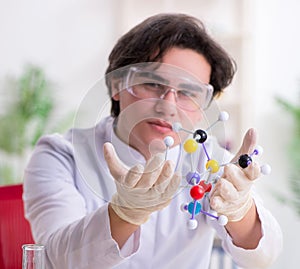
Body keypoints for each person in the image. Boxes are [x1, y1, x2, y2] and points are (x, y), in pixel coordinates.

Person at [23, 13, 282, 268]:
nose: (168, 106)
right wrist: (125, 213)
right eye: (152, 84)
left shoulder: (210, 164)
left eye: (188, 93)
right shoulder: (61, 156)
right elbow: (55, 260)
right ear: (116, 86)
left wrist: (240, 211)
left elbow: (263, 256)